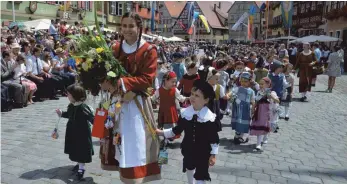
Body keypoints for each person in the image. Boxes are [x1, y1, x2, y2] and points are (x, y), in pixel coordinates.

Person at [110, 12, 161, 183]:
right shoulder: (116, 48)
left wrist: (123, 82)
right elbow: (108, 72)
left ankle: (138, 179)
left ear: (139, 28)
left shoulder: (148, 49)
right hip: (118, 102)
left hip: (138, 104)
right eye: (124, 26)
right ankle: (125, 178)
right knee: (120, 142)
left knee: (137, 143)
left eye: (131, 26)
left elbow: (148, 79)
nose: (127, 29)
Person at [155, 79, 220, 184]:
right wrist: (161, 132)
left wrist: (213, 155)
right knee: (189, 168)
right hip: (188, 148)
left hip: (203, 151)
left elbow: (214, 138)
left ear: (206, 100)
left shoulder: (210, 118)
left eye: (197, 96)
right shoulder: (185, 113)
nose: (193, 97)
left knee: (201, 174)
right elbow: (177, 130)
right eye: (192, 94)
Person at [56, 84, 94, 180]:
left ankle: (81, 168)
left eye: (68, 94)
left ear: (75, 95)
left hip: (82, 133)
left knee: (81, 148)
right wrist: (62, 114)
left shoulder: (83, 107)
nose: (67, 96)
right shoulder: (72, 105)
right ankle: (79, 163)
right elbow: (69, 114)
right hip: (72, 131)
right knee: (75, 148)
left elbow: (92, 119)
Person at [152, 71, 187, 146]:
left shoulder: (174, 90)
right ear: (166, 80)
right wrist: (148, 99)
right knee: (163, 125)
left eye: (175, 82)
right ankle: (165, 139)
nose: (174, 84)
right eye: (172, 82)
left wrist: (188, 98)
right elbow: (153, 98)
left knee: (171, 125)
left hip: (171, 112)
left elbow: (181, 98)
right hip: (163, 112)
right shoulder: (159, 90)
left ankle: (168, 138)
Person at [250, 77, 279, 150]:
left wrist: (271, 97)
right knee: (261, 125)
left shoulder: (272, 93)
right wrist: (253, 108)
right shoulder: (259, 92)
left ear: (268, 85)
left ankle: (264, 138)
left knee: (265, 125)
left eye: (262, 84)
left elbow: (277, 101)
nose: (260, 85)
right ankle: (258, 143)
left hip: (267, 112)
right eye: (260, 84)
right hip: (259, 111)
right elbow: (256, 101)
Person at [230, 72, 255, 144]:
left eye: (246, 82)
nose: (243, 83)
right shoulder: (237, 88)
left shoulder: (251, 91)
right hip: (238, 109)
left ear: (249, 82)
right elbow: (233, 94)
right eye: (242, 81)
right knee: (238, 121)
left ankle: (241, 136)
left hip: (246, 109)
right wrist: (233, 98)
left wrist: (253, 109)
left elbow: (252, 100)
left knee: (245, 122)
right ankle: (237, 136)